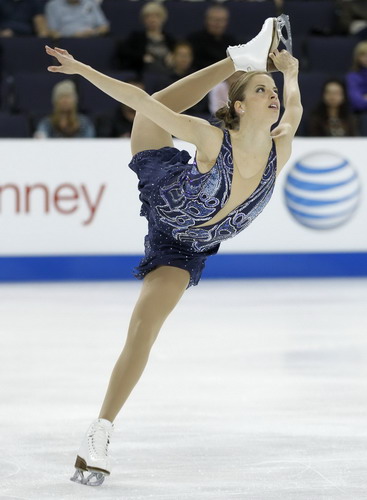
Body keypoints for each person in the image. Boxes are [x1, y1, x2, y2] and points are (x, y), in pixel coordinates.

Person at [45, 14, 301, 487]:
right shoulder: (209, 138)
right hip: (166, 185)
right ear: (239, 107)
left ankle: (96, 434)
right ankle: (232, 61)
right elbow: (139, 99)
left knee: (145, 328)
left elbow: (295, 107)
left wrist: (290, 72)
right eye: (260, 89)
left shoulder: (279, 148)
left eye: (270, 91)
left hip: (183, 247)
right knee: (151, 111)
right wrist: (82, 70)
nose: (272, 98)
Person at [117, 2, 175, 77]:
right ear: (143, 20)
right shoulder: (136, 37)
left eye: (156, 16)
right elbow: (125, 54)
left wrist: (174, 56)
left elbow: (179, 52)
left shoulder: (170, 39)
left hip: (168, 74)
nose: (152, 19)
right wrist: (142, 58)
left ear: (163, 18)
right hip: (145, 74)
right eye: (148, 16)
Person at [188, 5, 237, 70]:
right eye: (214, 20)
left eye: (221, 20)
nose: (217, 24)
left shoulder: (232, 42)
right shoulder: (193, 41)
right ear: (206, 20)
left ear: (227, 22)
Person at [45, 0, 109, 39]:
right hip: (67, 42)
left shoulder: (90, 3)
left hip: (92, 40)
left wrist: (94, 32)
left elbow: (104, 27)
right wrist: (73, 35)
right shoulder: (53, 5)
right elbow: (52, 32)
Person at [346, 40, 367, 113]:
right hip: (361, 116)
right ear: (357, 57)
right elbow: (357, 103)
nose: (366, 58)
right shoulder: (352, 77)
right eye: (362, 55)